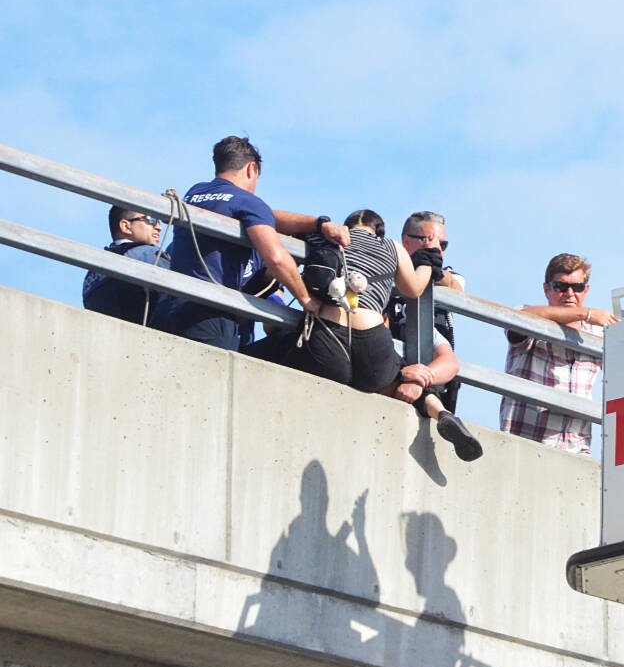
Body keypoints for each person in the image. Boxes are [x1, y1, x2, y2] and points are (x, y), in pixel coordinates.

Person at [245, 209, 482, 462]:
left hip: (327, 340)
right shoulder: (392, 247)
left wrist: (320, 225)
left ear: (345, 225)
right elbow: (414, 289)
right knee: (401, 375)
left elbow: (265, 217)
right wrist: (428, 260)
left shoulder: (325, 237)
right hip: (373, 344)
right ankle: (441, 412)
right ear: (380, 230)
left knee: (268, 349)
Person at [151, 135, 349, 350]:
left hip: (168, 308)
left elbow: (265, 215)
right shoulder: (248, 202)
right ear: (251, 169)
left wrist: (317, 224)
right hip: (209, 314)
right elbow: (276, 257)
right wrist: (307, 300)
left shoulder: (195, 193)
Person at [499, 254, 617, 455]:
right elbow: (517, 319)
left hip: (577, 448)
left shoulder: (599, 333)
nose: (570, 294)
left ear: (586, 290)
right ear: (547, 289)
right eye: (561, 287)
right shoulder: (530, 315)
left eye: (577, 287)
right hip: (525, 443)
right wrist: (586, 313)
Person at [387, 210, 465, 412]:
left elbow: (455, 287)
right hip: (391, 367)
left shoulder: (451, 276)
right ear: (406, 242)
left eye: (442, 244)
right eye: (428, 240)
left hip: (433, 374)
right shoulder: (388, 272)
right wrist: (411, 267)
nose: (437, 249)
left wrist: (430, 267)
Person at [83, 206, 170, 323]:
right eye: (151, 220)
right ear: (126, 226)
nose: (159, 227)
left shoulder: (92, 273)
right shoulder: (147, 254)